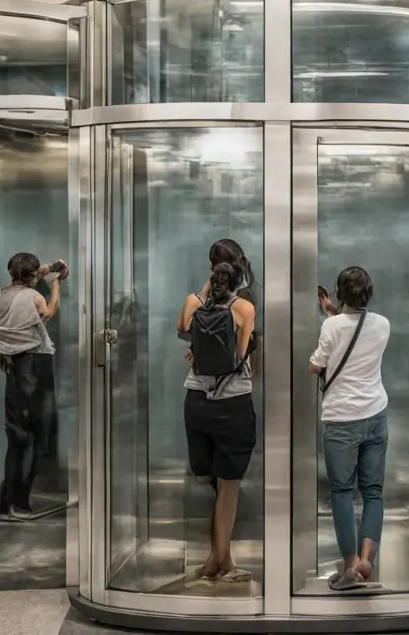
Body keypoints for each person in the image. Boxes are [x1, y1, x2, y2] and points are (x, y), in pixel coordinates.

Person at [175, 240, 257, 584]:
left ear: (212, 268)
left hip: (196, 403)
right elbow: (238, 358)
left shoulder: (193, 301)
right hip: (232, 405)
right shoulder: (244, 308)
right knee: (229, 487)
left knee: (214, 482)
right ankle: (220, 560)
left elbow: (182, 332)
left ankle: (218, 559)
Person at [308, 266, 390, 591]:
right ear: (368, 294)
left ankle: (349, 565)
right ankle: (367, 558)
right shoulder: (382, 324)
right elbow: (355, 326)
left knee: (342, 491)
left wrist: (331, 314)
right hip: (376, 415)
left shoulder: (331, 327)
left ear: (340, 294)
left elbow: (316, 365)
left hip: (342, 420)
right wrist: (332, 310)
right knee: (373, 492)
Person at [0, 252, 66, 521]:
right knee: (35, 435)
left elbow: (23, 284)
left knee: (16, 435)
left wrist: (48, 270)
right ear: (33, 276)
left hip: (13, 365)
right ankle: (21, 502)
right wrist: (56, 285)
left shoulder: (0, 294)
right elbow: (48, 311)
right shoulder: (35, 297)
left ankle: (7, 500)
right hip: (35, 365)